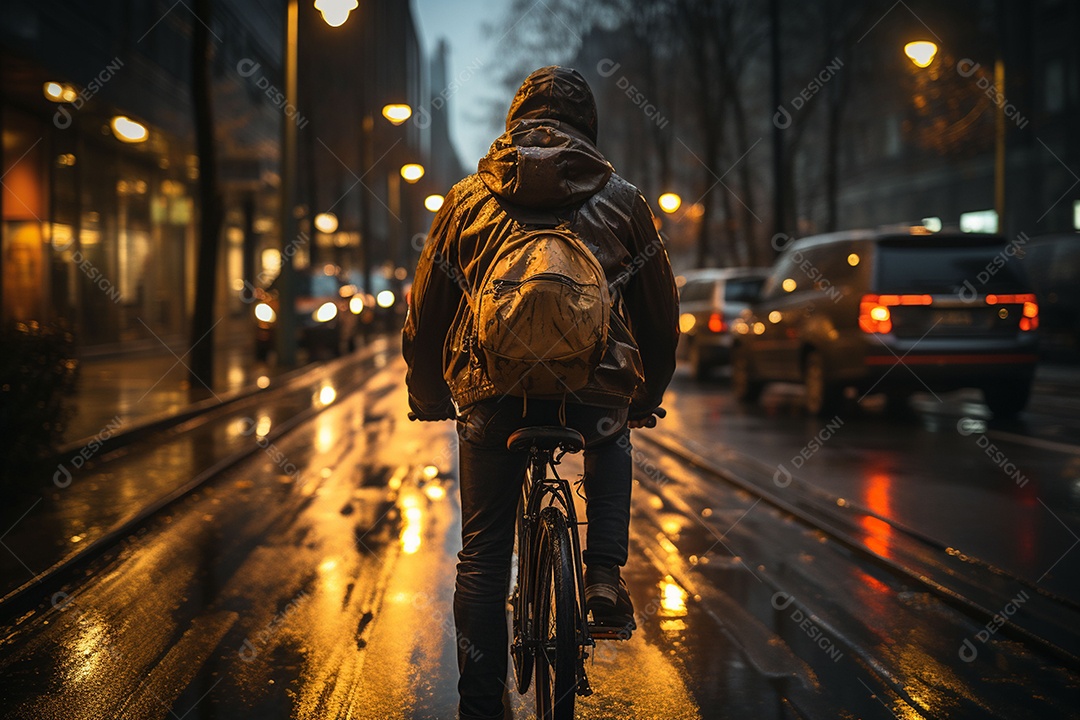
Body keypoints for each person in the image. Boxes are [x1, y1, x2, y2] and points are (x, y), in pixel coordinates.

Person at [403, 65, 678, 720]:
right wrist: (643, 395)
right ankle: (603, 576)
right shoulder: (623, 198)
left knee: (483, 555)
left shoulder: (467, 199)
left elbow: (428, 310)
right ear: (586, 127)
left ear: (514, 124)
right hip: (592, 385)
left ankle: (479, 705)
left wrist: (428, 391)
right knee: (609, 435)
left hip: (491, 394)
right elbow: (660, 313)